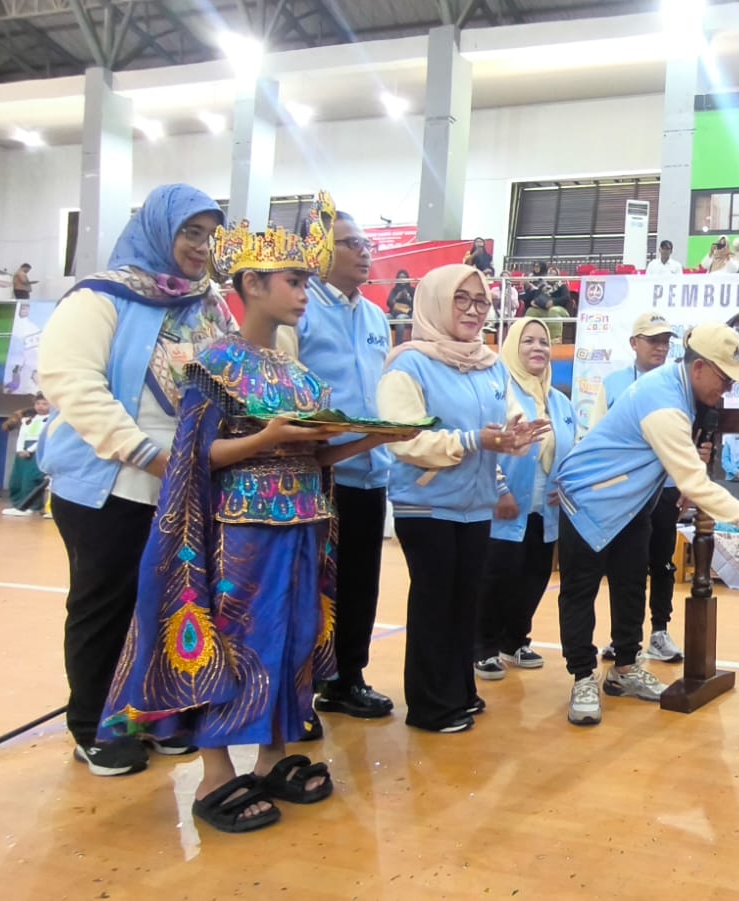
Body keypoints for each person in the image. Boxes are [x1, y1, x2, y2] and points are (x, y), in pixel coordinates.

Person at [101, 218, 397, 834]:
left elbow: (309, 457)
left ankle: (273, 756)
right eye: (294, 281)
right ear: (252, 284)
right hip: (240, 532)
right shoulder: (214, 363)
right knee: (232, 643)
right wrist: (265, 437)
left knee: (292, 638)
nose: (303, 294)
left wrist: (365, 439)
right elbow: (191, 456)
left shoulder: (295, 373)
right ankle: (215, 773)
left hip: (302, 526)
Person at [37, 184, 234, 776]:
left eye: (207, 235)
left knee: (168, 605)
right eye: (189, 233)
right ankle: (94, 724)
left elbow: (233, 375)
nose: (200, 247)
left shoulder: (211, 305)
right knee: (106, 605)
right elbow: (73, 383)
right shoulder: (101, 298)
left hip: (183, 486)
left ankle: (152, 715)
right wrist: (149, 455)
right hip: (109, 484)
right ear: (157, 230)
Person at [551, 323, 739, 725]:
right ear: (698, 368)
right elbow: (694, 483)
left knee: (631, 586)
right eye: (724, 378)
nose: (728, 390)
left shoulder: (684, 392)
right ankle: (582, 677)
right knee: (580, 592)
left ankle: (624, 670)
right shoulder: (664, 402)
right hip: (589, 499)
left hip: (631, 504)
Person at [377, 264, 547, 734]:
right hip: (426, 505)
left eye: (481, 301)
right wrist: (475, 440)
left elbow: (506, 418)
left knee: (464, 602)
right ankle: (431, 705)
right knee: (435, 603)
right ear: (434, 302)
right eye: (462, 299)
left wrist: (518, 436)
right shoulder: (408, 364)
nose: (474, 310)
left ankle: (458, 691)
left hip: (475, 505)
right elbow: (404, 438)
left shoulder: (487, 362)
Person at [275, 206, 398, 730]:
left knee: (361, 583)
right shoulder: (299, 312)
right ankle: (302, 685)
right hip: (321, 473)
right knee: (311, 585)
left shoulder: (374, 316)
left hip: (370, 470)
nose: (364, 252)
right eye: (350, 243)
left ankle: (348, 676)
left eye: (366, 243)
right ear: (318, 251)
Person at [474, 319, 578, 677]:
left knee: (532, 576)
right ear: (512, 348)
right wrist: (500, 490)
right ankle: (483, 645)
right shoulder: (498, 393)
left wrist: (566, 484)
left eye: (544, 342)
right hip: (502, 507)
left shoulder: (560, 401)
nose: (538, 348)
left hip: (545, 510)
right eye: (528, 341)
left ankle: (514, 640)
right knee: (496, 574)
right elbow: (485, 449)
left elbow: (573, 449)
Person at [588, 311, 685, 663]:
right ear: (634, 343)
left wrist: (689, 483)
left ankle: (659, 632)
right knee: (623, 567)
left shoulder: (678, 385)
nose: (661, 347)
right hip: (623, 491)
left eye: (665, 341)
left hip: (666, 487)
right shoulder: (614, 383)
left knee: (662, 564)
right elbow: (597, 435)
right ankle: (622, 636)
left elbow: (691, 439)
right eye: (653, 340)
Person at [2, 394, 50, 516]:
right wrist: (20, 450)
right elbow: (22, 436)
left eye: (44, 404)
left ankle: (31, 507)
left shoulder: (51, 420)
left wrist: (30, 450)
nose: (41, 406)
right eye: (38, 404)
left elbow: (43, 438)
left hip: (37, 451)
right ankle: (18, 504)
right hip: (23, 451)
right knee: (18, 479)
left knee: (31, 479)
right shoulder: (28, 419)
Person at [387, 269, 415, 343]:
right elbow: (389, 303)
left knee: (400, 318)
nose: (402, 279)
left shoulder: (412, 290)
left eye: (404, 277)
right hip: (394, 314)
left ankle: (398, 344)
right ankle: (385, 342)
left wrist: (408, 298)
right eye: (400, 277)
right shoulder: (394, 290)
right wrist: (397, 297)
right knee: (384, 317)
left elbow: (415, 305)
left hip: (407, 314)